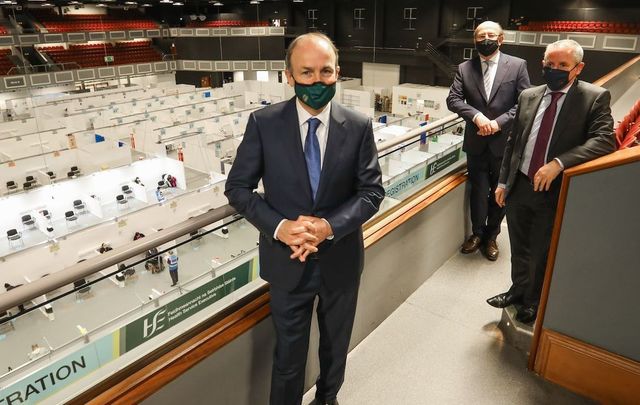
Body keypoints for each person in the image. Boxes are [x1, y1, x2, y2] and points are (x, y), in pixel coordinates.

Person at [225, 32, 384, 405]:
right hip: (287, 264)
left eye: (325, 72)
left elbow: (371, 192)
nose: (316, 81)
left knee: (335, 350)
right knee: (288, 358)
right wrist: (282, 228)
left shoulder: (358, 126)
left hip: (340, 261)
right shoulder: (264, 124)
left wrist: (328, 227)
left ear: (338, 73)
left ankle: (327, 399)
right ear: (288, 76)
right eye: (306, 72)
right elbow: (238, 189)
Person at [487, 39, 615, 323]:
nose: (554, 69)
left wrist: (558, 163)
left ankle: (533, 300)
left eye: (562, 65)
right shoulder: (529, 95)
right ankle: (517, 290)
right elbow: (514, 143)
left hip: (553, 189)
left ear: (577, 68)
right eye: (549, 64)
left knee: (541, 249)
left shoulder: (594, 97)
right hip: (520, 184)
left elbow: (606, 140)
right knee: (519, 244)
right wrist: (503, 182)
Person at [446, 21, 531, 261]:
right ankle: (477, 233)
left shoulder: (517, 66)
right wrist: (477, 116)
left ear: (501, 39)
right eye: (480, 36)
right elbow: (453, 99)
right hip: (476, 143)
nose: (486, 39)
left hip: (504, 142)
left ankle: (492, 236)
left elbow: (525, 102)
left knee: (499, 192)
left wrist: (498, 122)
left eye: (491, 35)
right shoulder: (465, 68)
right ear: (475, 41)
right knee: (478, 190)